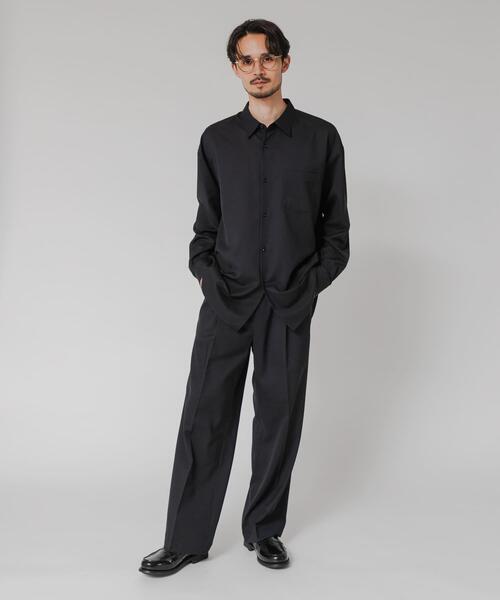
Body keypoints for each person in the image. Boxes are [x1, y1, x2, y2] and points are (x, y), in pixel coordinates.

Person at [139, 17, 350, 576]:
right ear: (236, 68)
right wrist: (206, 276)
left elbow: (336, 234)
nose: (258, 69)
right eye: (246, 60)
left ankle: (264, 530)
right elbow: (204, 229)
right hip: (226, 302)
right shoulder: (216, 140)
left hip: (288, 304)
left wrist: (309, 285)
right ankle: (185, 539)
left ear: (285, 62)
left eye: (267, 57)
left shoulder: (321, 138)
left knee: (278, 419)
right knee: (204, 418)